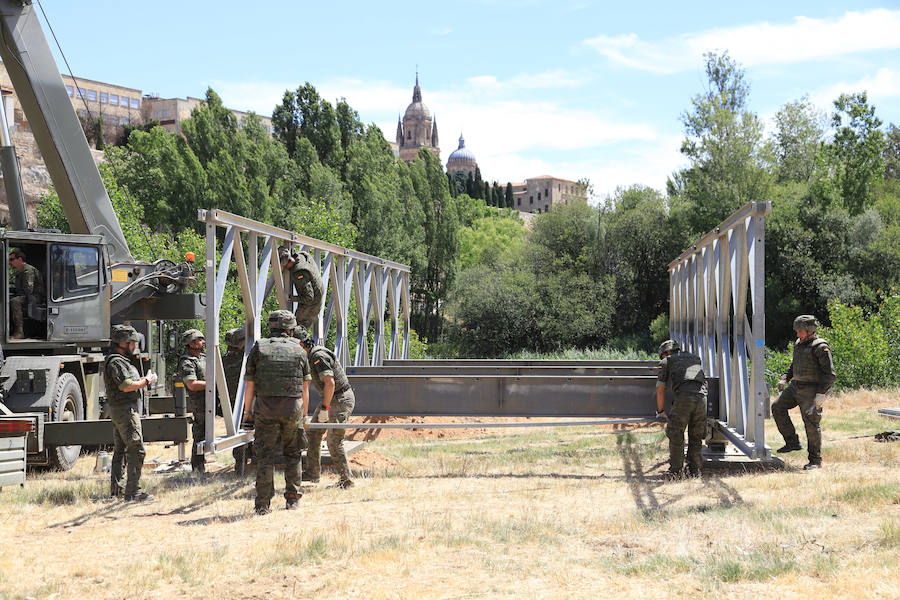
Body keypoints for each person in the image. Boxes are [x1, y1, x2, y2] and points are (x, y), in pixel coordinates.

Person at [243, 310, 311, 514]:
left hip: (265, 409)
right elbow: (305, 388)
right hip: (293, 409)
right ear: (290, 328)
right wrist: (304, 416)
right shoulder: (299, 350)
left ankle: (263, 504)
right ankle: (292, 498)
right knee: (293, 453)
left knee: (265, 456)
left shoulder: (259, 348)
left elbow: (250, 385)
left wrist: (248, 413)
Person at [294, 326, 355, 489]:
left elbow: (330, 383)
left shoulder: (318, 356)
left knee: (334, 441)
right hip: (331, 399)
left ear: (300, 344)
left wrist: (325, 409)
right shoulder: (310, 356)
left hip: (340, 398)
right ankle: (313, 472)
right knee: (313, 434)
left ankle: (346, 480)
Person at [772, 315, 835, 470]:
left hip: (811, 390)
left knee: (811, 424)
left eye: (800, 331)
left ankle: (815, 460)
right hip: (795, 386)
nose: (797, 334)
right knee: (777, 407)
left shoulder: (820, 347)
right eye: (797, 331)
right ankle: (792, 442)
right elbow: (795, 364)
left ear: (809, 331)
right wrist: (785, 378)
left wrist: (821, 394)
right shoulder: (799, 343)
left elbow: (830, 375)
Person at [104, 324, 156, 501]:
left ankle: (116, 491)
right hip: (125, 410)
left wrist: (141, 380)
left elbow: (128, 382)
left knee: (120, 450)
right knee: (136, 449)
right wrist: (147, 381)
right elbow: (126, 386)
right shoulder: (117, 361)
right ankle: (133, 492)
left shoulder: (119, 360)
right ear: (123, 342)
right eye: (132, 342)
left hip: (120, 409)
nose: (135, 346)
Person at [655, 339, 708, 479]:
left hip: (685, 398)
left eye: (662, 356)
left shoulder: (667, 361)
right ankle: (695, 471)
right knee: (696, 435)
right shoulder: (695, 358)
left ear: (666, 352)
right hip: (702, 398)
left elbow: (660, 389)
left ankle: (676, 472)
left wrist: (660, 411)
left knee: (675, 434)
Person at [177, 328, 207, 474]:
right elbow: (192, 384)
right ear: (191, 344)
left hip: (213, 400)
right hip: (200, 404)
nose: (203, 342)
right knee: (200, 435)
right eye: (199, 340)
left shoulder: (203, 358)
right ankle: (198, 469)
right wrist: (214, 384)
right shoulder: (186, 362)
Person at [222, 327, 251, 473]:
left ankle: (240, 467)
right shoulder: (247, 361)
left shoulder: (223, 361)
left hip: (232, 406)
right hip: (250, 403)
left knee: (239, 437)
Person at [278, 245, 325, 330]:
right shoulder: (302, 255)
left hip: (312, 304)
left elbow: (309, 298)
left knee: (297, 329)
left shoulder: (299, 273)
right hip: (318, 291)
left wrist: (292, 298)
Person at [8, 248, 45, 339]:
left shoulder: (27, 270)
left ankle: (19, 332)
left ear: (20, 259)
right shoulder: (20, 271)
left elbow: (29, 290)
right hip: (27, 295)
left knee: (15, 302)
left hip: (34, 296)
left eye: (12, 260)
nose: (9, 262)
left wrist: (17, 296)